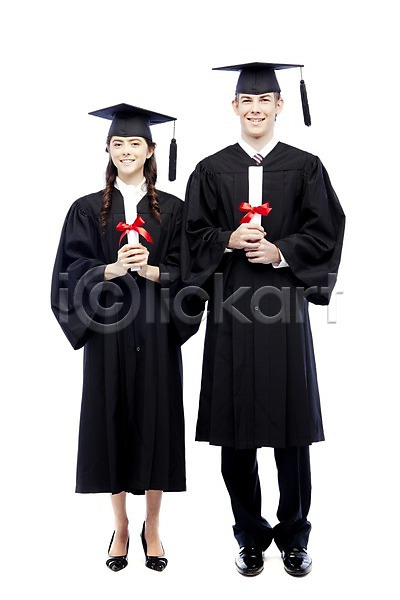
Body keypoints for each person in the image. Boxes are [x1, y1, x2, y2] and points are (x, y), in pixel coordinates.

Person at [181, 62, 345, 577]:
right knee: (235, 431)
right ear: (234, 107)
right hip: (231, 311)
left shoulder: (306, 166)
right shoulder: (210, 170)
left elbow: (326, 231)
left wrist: (281, 251)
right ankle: (249, 536)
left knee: (292, 430)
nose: (255, 109)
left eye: (264, 100)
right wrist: (227, 239)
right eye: (246, 101)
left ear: (279, 105)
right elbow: (190, 237)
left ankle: (295, 536)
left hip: (284, 310)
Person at [51, 103, 190, 573]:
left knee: (156, 422)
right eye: (118, 143)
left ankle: (153, 526)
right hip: (106, 334)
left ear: (151, 150)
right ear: (107, 149)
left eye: (135, 143)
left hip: (155, 332)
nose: (126, 150)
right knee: (110, 420)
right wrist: (109, 269)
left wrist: (154, 271)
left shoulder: (173, 210)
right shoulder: (87, 209)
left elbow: (193, 274)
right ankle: (120, 526)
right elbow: (67, 273)